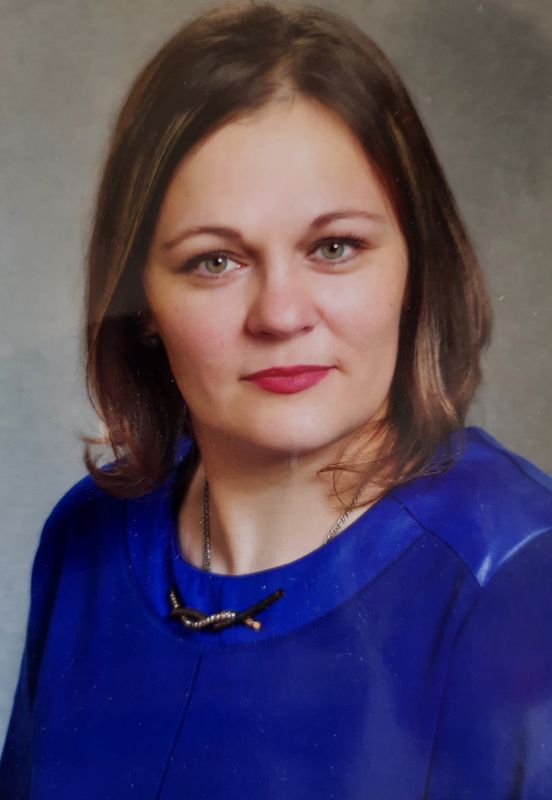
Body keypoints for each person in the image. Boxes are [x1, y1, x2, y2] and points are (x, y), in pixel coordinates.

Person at [2, 3, 551, 797]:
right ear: (140, 300)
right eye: (215, 261)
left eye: (335, 247)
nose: (282, 315)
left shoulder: (519, 574)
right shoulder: (81, 542)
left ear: (416, 266)